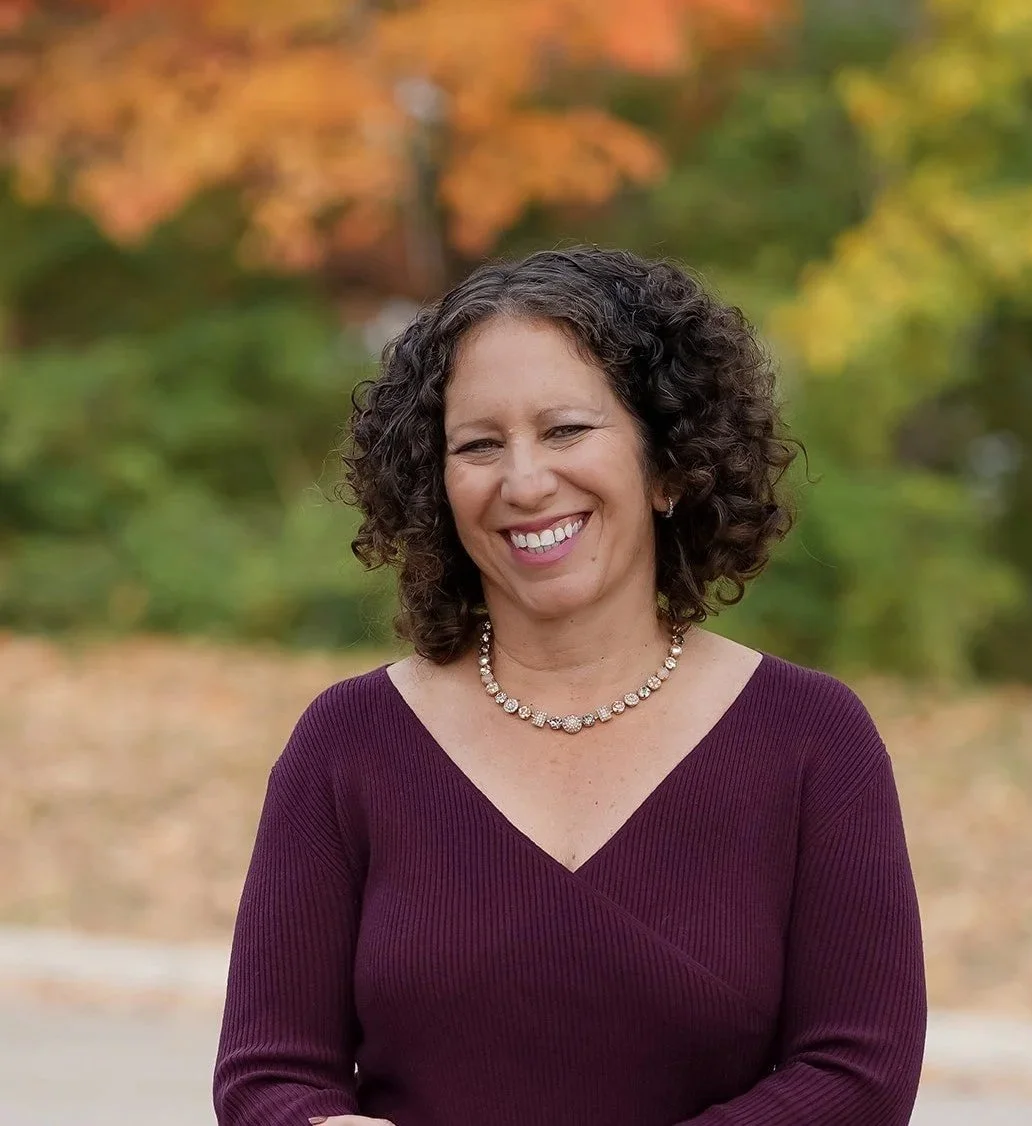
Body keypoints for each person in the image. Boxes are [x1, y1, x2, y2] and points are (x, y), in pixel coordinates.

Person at [213, 246, 926, 1126]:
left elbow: (858, 1074)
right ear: (437, 487)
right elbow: (267, 1078)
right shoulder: (347, 743)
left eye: (565, 430)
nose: (524, 481)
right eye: (478, 444)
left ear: (667, 464)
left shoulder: (812, 740)